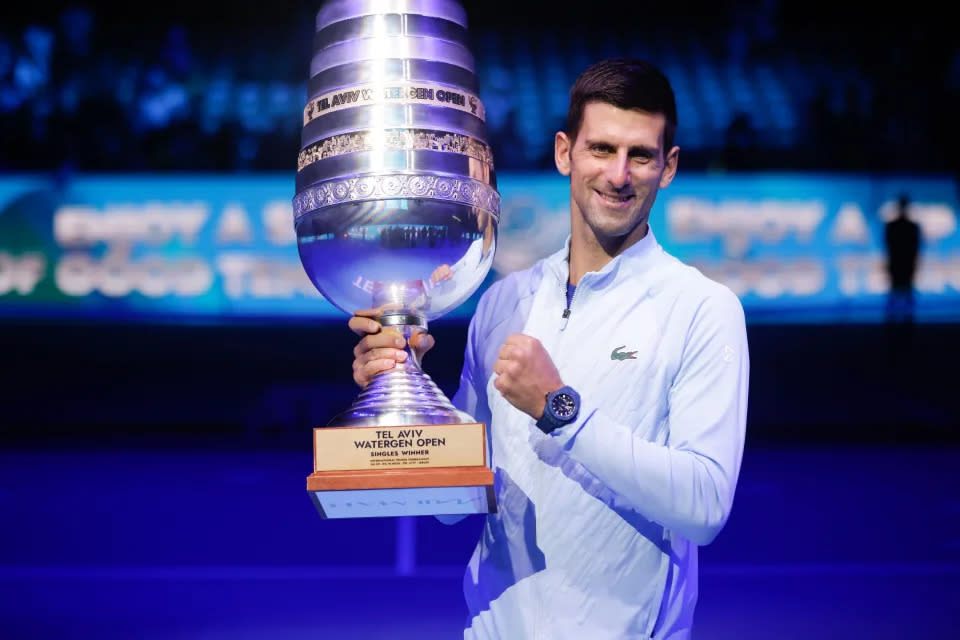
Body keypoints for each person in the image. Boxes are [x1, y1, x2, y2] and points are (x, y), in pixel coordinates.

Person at [349, 58, 750, 639]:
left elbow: (706, 507)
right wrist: (405, 389)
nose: (619, 174)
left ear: (669, 167)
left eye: (640, 155)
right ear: (565, 152)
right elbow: (454, 503)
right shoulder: (502, 304)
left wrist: (560, 408)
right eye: (601, 149)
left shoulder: (701, 308)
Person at [883, 193, 921, 325]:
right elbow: (888, 246)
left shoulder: (902, 226)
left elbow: (915, 247)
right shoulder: (899, 226)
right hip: (901, 263)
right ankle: (897, 320)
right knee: (898, 292)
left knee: (903, 292)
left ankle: (902, 321)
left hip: (902, 264)